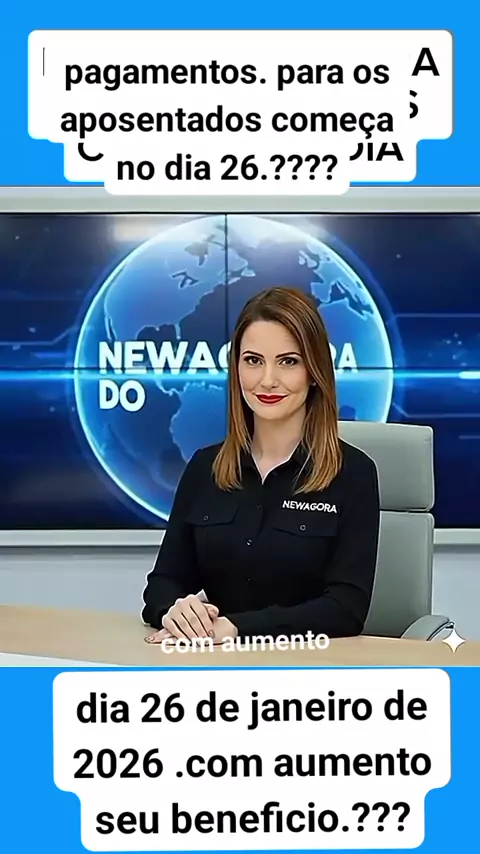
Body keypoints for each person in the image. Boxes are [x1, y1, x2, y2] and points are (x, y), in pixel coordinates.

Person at [143, 286, 380, 645]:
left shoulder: (354, 473)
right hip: (215, 663)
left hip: (312, 667)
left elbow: (346, 609)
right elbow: (163, 583)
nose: (268, 380)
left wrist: (238, 628)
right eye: (253, 361)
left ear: (314, 370)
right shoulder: (205, 468)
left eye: (288, 361)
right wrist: (174, 611)